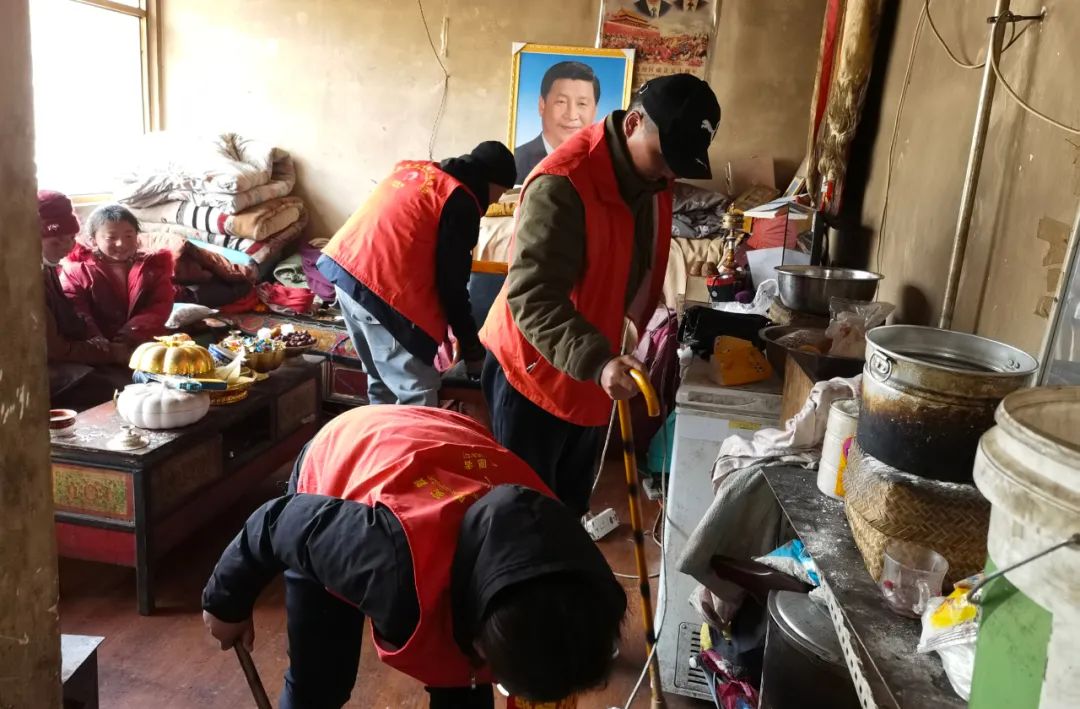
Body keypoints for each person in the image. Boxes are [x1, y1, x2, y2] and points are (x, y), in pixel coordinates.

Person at [201, 405, 626, 708]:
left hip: (439, 445)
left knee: (462, 687)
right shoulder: (387, 564)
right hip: (346, 457)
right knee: (322, 680)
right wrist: (226, 601)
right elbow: (277, 522)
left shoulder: (570, 563)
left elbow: (468, 672)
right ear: (481, 640)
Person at [481, 73, 721, 515]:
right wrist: (598, 360)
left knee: (568, 509)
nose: (670, 173)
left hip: (591, 367)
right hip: (536, 372)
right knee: (523, 517)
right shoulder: (563, 184)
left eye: (679, 163)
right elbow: (533, 297)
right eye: (665, 157)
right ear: (633, 124)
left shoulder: (652, 177)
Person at [318, 142, 516, 407]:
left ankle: (382, 433)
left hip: (345, 272)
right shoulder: (461, 202)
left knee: (381, 382)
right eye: (500, 193)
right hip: (382, 290)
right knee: (418, 394)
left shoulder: (419, 172)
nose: (496, 202)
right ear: (490, 181)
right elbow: (453, 287)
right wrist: (472, 350)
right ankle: (414, 435)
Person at [38, 191, 131, 407]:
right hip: (45, 366)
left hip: (67, 354)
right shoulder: (24, 282)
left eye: (71, 238)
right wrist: (109, 353)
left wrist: (96, 340)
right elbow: (56, 350)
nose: (67, 247)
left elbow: (72, 317)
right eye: (56, 242)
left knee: (129, 375)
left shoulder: (48, 267)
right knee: (114, 389)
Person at [60, 204, 174, 346]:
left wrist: (132, 331)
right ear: (93, 240)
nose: (121, 243)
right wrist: (94, 336)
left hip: (144, 343)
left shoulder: (152, 267)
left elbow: (161, 304)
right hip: (98, 346)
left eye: (128, 236)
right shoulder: (77, 271)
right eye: (111, 237)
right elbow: (75, 307)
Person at [514, 61, 601, 184]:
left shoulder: (604, 167)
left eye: (582, 103)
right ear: (542, 105)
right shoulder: (516, 161)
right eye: (561, 102)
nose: (571, 115)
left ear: (595, 111)